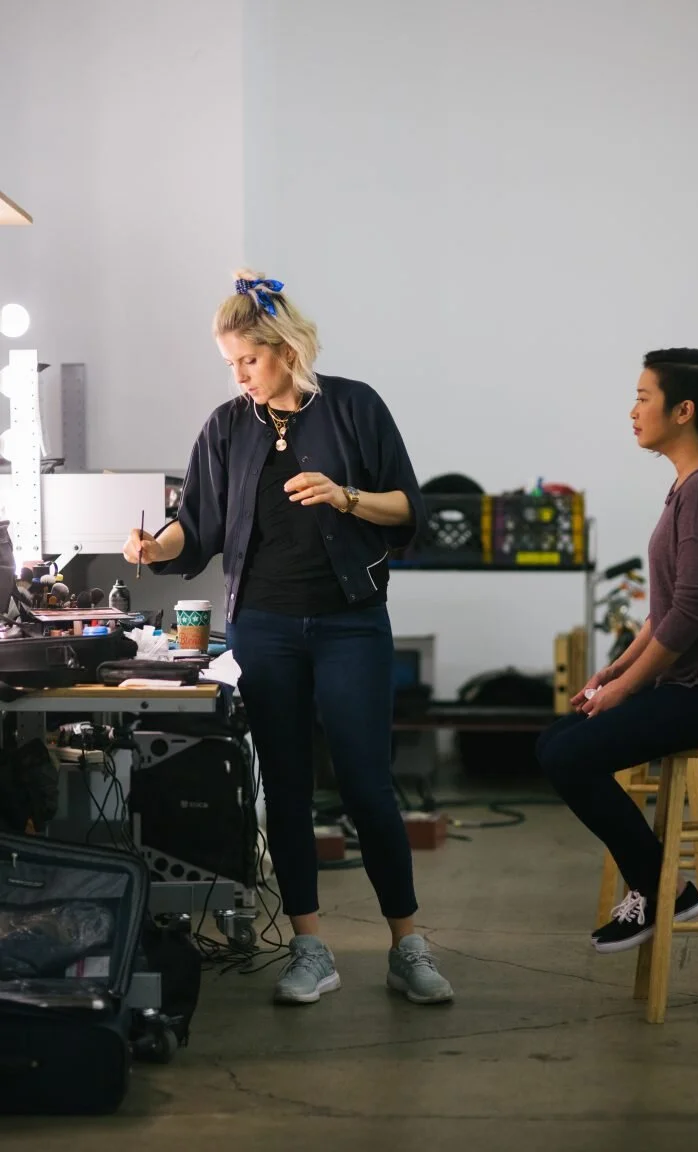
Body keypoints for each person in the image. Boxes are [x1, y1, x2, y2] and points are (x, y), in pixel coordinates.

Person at [123, 271, 453, 1005]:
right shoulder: (226, 427)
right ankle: (310, 947)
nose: (238, 377)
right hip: (264, 627)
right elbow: (197, 527)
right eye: (230, 364)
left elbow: (407, 506)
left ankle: (409, 946)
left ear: (285, 348)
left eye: (247, 359)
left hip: (350, 622)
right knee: (288, 788)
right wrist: (156, 548)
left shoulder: (355, 407)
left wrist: (344, 495)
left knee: (368, 785)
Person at [537, 348, 698, 954]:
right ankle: (665, 887)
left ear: (683, 410)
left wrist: (628, 687)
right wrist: (613, 671)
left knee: (570, 756)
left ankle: (662, 889)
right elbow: (667, 611)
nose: (633, 410)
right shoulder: (691, 485)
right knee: (555, 743)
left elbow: (692, 613)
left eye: (644, 397)